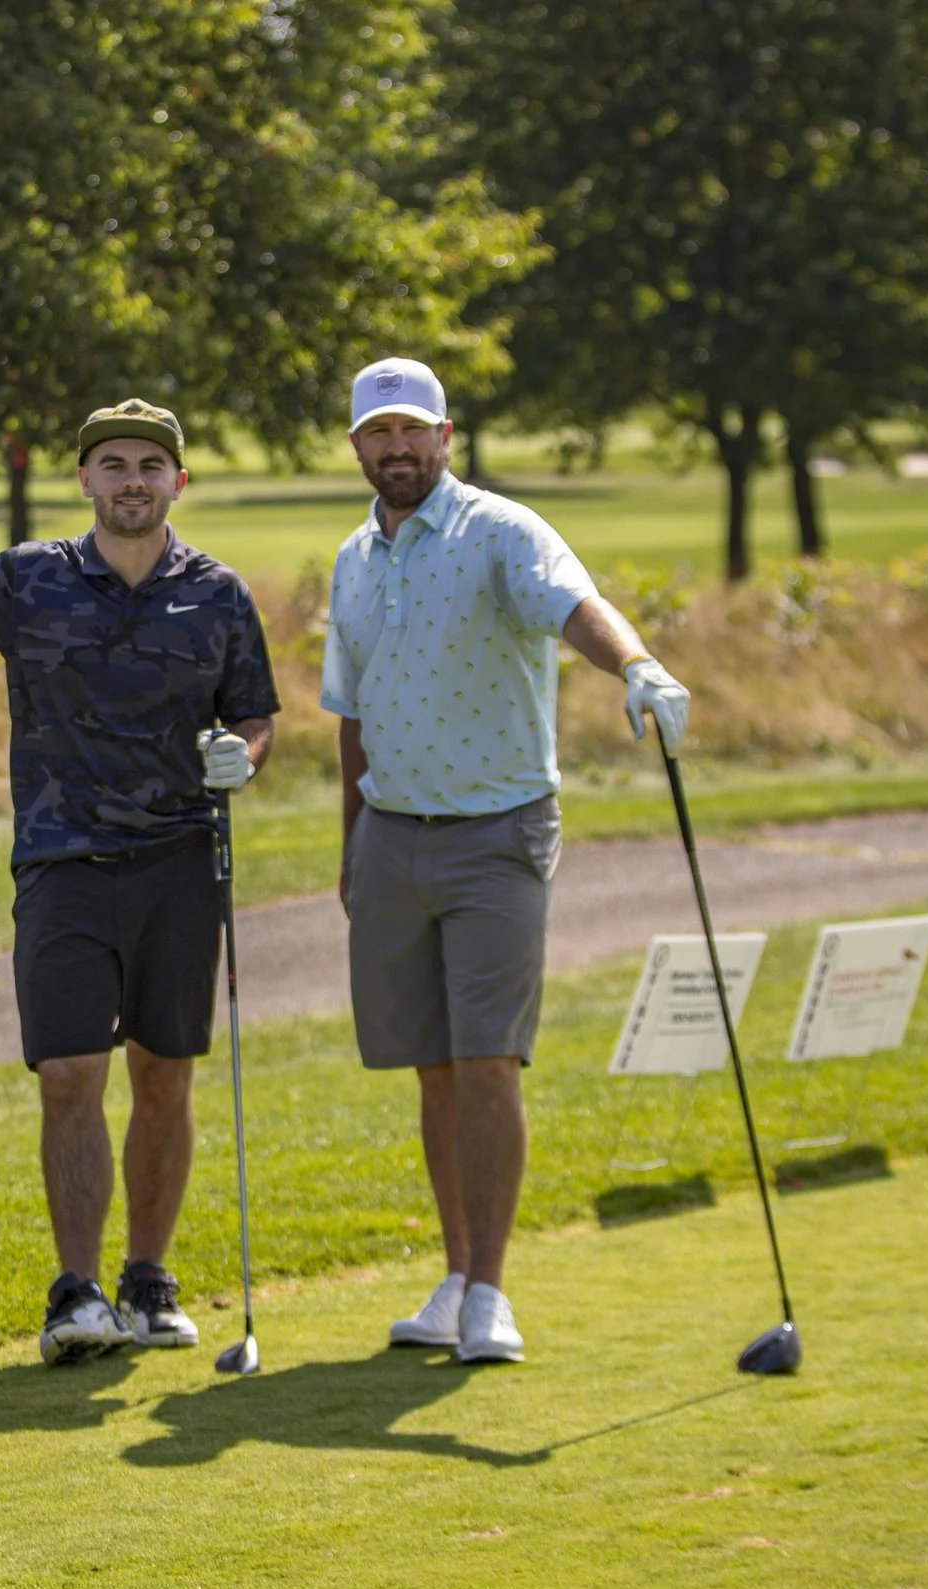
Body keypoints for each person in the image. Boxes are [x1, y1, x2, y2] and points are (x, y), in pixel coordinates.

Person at [0, 399, 280, 1366]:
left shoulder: (218, 593)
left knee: (164, 1074)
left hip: (180, 862)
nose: (132, 480)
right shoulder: (31, 578)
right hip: (61, 861)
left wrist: (244, 755)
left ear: (177, 481)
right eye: (114, 464)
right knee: (69, 1073)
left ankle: (147, 1279)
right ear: (84, 479)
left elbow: (255, 715)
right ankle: (77, 1289)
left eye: (150, 465)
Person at [323, 357, 689, 1365]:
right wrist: (350, 842)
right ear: (356, 446)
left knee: (488, 1059)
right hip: (390, 834)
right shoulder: (353, 558)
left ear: (446, 435)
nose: (398, 447)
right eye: (379, 433)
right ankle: (453, 1278)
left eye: (415, 429)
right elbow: (352, 711)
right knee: (433, 1069)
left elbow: (575, 605)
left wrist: (637, 664)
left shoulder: (501, 531)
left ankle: (490, 1290)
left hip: (496, 832)